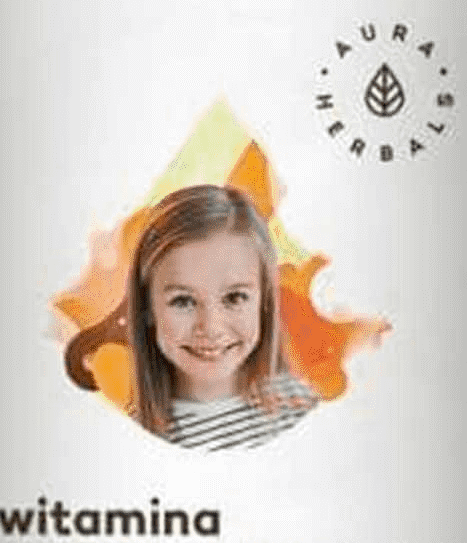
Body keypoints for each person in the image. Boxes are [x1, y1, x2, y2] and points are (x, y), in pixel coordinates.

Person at [63, 183, 316, 453]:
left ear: (264, 300)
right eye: (182, 302)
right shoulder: (124, 418)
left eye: (236, 297)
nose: (211, 326)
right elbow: (76, 367)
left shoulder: (300, 422)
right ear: (148, 306)